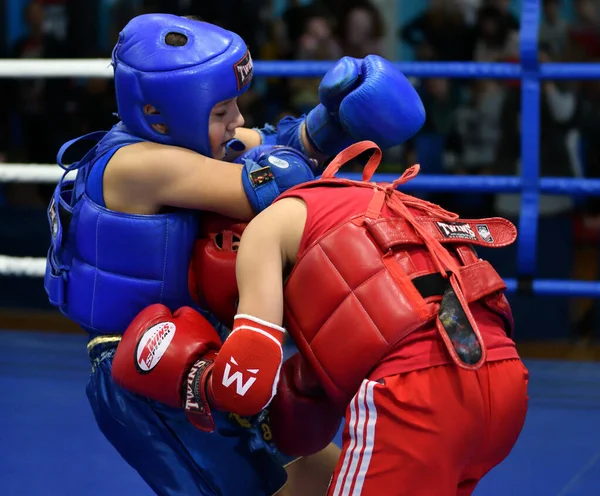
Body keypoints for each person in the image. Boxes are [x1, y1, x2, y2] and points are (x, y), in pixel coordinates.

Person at [44, 12, 425, 496]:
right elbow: (271, 185)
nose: (237, 120)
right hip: (149, 368)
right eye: (222, 110)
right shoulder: (137, 164)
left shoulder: (182, 138)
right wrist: (299, 149)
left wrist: (330, 123)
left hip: (212, 353)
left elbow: (279, 145)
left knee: (332, 478)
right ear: (161, 116)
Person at [115, 140, 529, 495]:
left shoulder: (263, 228)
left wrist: (199, 377)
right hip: (506, 383)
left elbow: (245, 384)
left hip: (416, 392)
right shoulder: (374, 203)